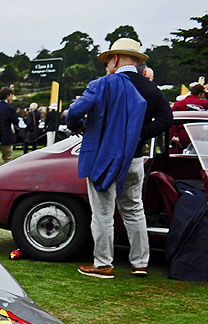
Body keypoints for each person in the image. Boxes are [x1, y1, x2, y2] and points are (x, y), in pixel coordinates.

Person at [68, 38, 171, 279]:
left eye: (107, 61)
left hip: (103, 158)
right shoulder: (150, 88)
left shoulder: (102, 84)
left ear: (115, 59)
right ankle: (140, 263)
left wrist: (77, 126)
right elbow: (166, 118)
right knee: (134, 210)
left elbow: (74, 111)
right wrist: (137, 135)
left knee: (102, 213)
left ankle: (103, 263)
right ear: (137, 61)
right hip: (135, 159)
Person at [0, 87, 18, 164]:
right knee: (7, 158)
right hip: (6, 135)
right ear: (8, 96)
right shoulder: (10, 108)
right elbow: (15, 121)